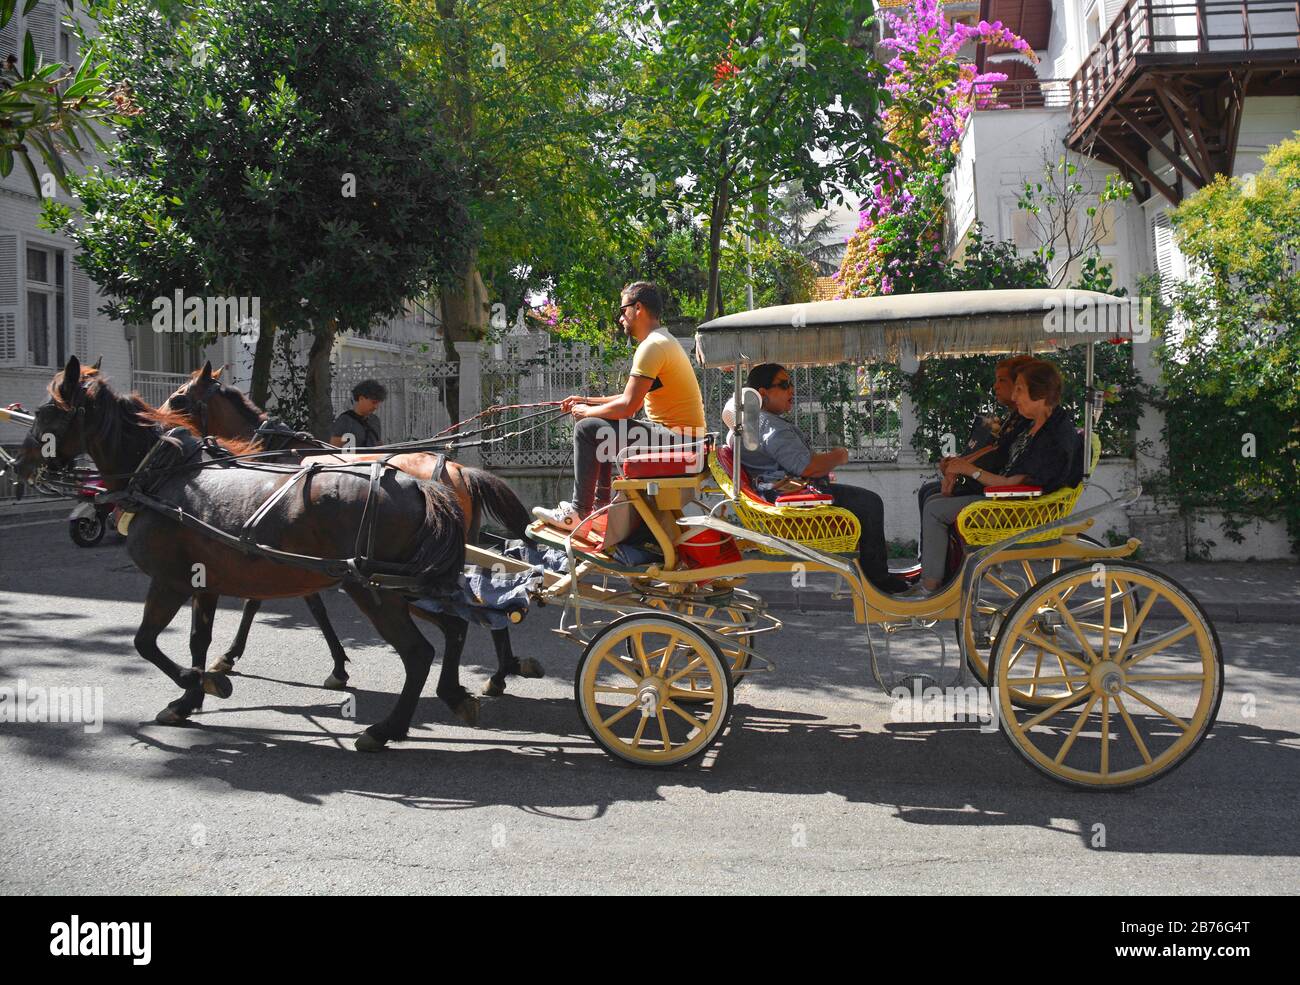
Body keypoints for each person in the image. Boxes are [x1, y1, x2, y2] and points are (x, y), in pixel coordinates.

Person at [534, 281, 706, 530]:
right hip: (684, 437)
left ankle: (580, 511)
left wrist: (586, 412)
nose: (620, 319)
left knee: (588, 429)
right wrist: (585, 401)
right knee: (599, 427)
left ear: (638, 308)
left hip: (680, 439)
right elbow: (630, 397)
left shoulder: (652, 346)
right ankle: (599, 509)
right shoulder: (662, 341)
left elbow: (627, 408)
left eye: (622, 311)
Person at [736, 363, 909, 595]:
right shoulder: (772, 428)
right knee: (869, 503)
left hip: (789, 494)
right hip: (793, 503)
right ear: (763, 393)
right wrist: (839, 455)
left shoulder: (755, 422)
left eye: (791, 384)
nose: (792, 390)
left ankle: (873, 572)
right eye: (784, 385)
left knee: (865, 501)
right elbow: (808, 467)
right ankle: (878, 580)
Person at [914, 358, 1083, 594]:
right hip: (1007, 500)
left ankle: (930, 588)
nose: (1014, 397)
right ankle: (939, 575)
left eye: (1020, 390)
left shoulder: (1052, 436)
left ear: (1040, 393)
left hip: (1017, 508)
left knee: (934, 509)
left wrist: (968, 470)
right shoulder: (1036, 424)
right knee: (933, 501)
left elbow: (1012, 483)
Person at [917, 354, 1034, 524]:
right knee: (929, 493)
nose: (995, 386)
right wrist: (957, 465)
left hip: (1006, 499)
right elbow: (993, 450)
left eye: (1002, 381)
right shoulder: (1015, 419)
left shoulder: (1032, 425)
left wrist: (964, 469)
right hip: (993, 488)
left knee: (934, 507)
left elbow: (1009, 472)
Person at [330, 379, 386, 448]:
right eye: (373, 402)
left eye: (378, 403)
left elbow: (378, 445)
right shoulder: (345, 421)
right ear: (361, 398)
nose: (376, 407)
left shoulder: (375, 420)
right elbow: (335, 448)